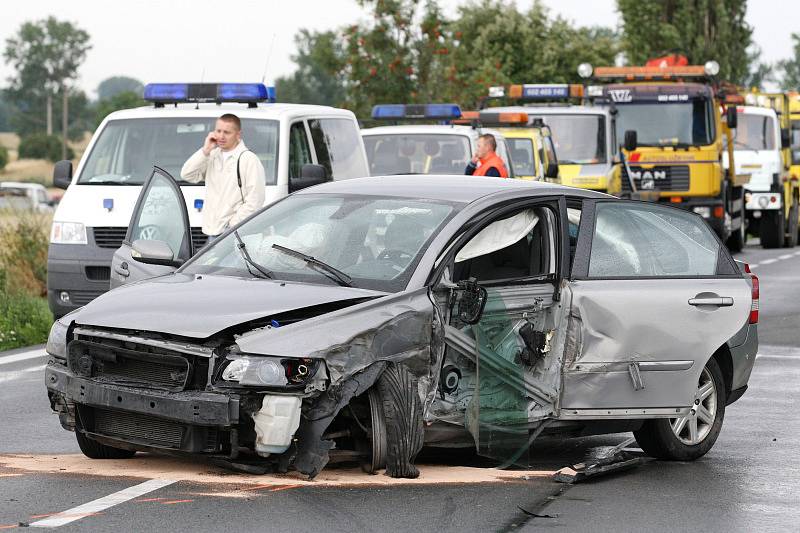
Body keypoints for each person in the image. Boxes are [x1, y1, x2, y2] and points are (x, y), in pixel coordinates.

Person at [181, 114, 265, 238]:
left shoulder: (249, 159)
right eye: (218, 131)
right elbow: (187, 174)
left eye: (227, 132)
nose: (221, 136)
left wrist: (232, 225)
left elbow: (256, 200)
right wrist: (205, 150)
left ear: (238, 134)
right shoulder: (212, 155)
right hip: (212, 233)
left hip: (236, 233)